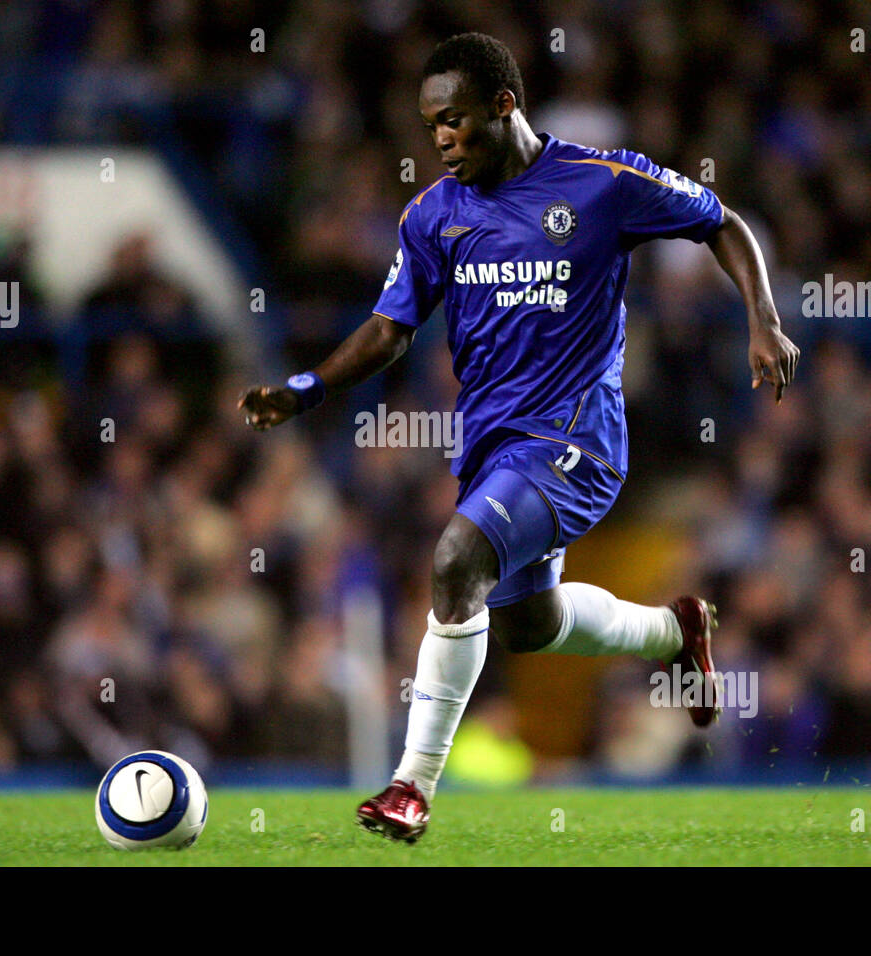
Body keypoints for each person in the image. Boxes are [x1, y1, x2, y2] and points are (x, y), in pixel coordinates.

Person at [238, 32, 799, 842]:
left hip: (580, 440)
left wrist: (764, 321)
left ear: (505, 106)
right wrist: (309, 387)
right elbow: (391, 329)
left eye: (454, 121)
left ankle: (409, 787)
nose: (440, 139)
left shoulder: (603, 183)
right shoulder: (434, 214)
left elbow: (723, 222)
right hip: (494, 448)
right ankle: (680, 630)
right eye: (431, 124)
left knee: (455, 558)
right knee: (529, 625)